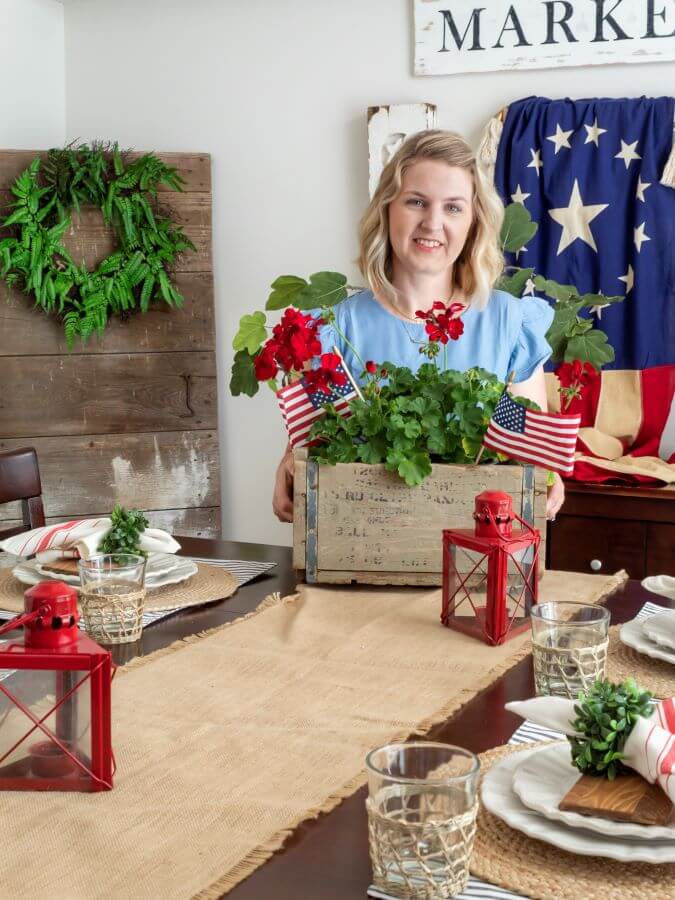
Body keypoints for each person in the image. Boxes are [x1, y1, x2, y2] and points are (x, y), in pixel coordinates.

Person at [273, 129, 565, 522]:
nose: (433, 223)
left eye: (453, 208)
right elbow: (313, 453)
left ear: (474, 222)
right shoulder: (335, 329)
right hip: (363, 549)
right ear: (388, 208)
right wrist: (290, 466)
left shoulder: (510, 323)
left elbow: (530, 455)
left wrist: (548, 479)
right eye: (416, 202)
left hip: (478, 553)